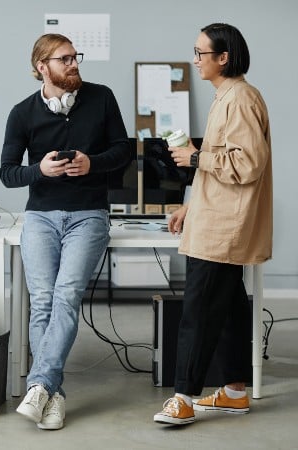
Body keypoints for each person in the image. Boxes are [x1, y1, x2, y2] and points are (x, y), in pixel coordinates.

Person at [0, 33, 130, 430]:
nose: (74, 64)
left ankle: (38, 385)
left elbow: (124, 149)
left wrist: (93, 164)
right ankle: (52, 396)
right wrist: (39, 170)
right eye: (65, 59)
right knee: (41, 300)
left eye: (76, 57)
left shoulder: (102, 97)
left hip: (88, 214)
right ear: (42, 66)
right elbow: (7, 174)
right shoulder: (22, 113)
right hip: (40, 216)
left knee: (66, 295)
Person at [154, 23, 272, 426]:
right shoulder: (228, 96)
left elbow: (248, 164)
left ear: (223, 57)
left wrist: (195, 158)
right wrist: (191, 206)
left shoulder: (238, 99)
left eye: (201, 53)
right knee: (231, 309)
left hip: (223, 227)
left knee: (199, 310)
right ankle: (236, 392)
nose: (195, 60)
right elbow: (225, 161)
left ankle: (184, 397)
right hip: (216, 217)